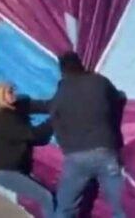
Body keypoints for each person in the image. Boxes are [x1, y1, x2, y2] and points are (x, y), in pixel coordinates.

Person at [49, 52, 126, 218]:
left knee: (65, 209)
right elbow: (118, 98)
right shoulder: (99, 81)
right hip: (105, 150)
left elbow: (54, 117)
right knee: (121, 208)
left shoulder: (62, 92)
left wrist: (64, 144)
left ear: (62, 71)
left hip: (75, 156)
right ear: (81, 64)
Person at [0, 82, 55, 218]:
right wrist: (55, 118)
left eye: (13, 90)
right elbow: (36, 135)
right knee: (45, 197)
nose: (14, 93)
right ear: (0, 98)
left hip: (17, 166)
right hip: (5, 171)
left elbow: (44, 106)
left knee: (47, 195)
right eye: (9, 92)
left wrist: (63, 103)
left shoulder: (18, 105)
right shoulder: (3, 121)